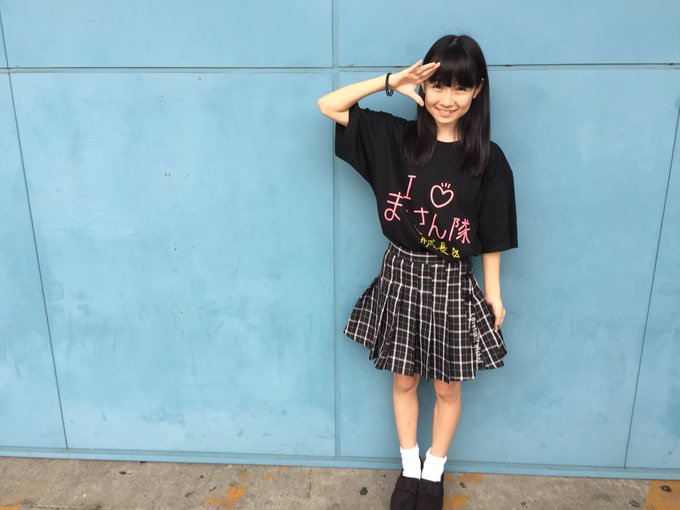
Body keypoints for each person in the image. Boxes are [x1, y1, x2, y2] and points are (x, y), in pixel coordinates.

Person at [318, 34, 517, 510]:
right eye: (439, 85)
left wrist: (493, 292)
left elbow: (493, 232)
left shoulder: (488, 159)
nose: (447, 99)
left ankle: (433, 472)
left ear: (477, 91)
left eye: (460, 88)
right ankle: (409, 469)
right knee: (404, 378)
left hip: (451, 280)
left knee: (447, 385)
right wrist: (392, 81)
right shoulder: (395, 139)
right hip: (401, 274)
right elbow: (329, 105)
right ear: (424, 86)